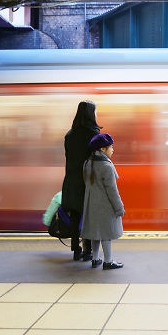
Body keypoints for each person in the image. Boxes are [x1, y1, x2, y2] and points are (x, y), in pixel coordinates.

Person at [61, 101, 101, 261]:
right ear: (91, 114)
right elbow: (97, 158)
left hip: (71, 179)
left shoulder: (69, 135)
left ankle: (76, 249)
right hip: (88, 179)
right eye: (95, 112)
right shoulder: (94, 134)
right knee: (89, 215)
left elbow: (68, 157)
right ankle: (88, 250)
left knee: (76, 214)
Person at [81, 133, 125, 270]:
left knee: (96, 232)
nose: (112, 150)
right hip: (105, 206)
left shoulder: (88, 163)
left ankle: (95, 259)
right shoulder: (107, 166)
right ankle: (108, 261)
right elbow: (112, 191)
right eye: (110, 147)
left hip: (91, 205)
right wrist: (119, 207)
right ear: (102, 149)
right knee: (106, 234)